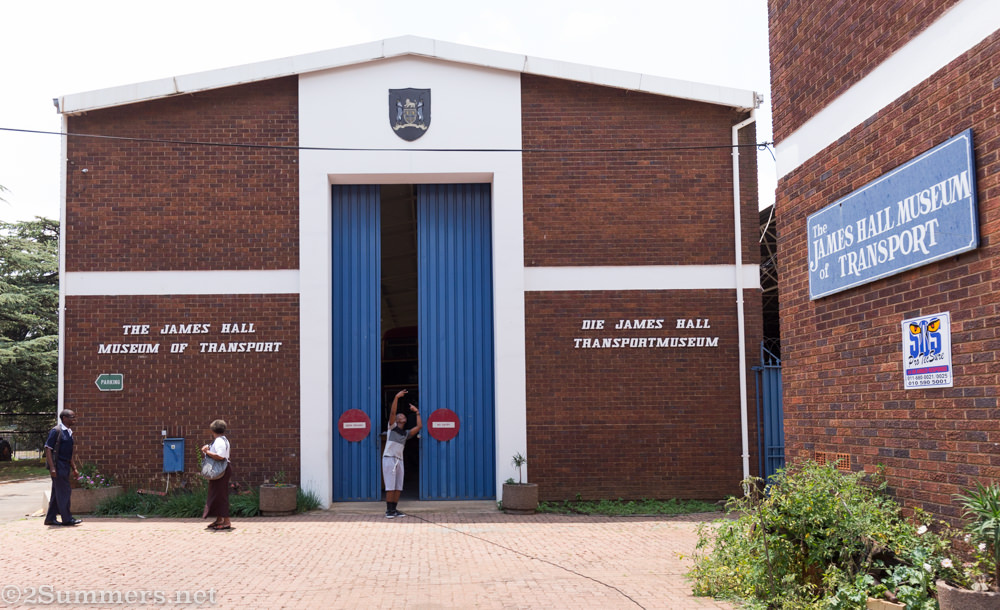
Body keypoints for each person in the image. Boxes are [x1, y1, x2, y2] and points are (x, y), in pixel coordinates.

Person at [382, 389, 421, 518]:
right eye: (400, 416)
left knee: (398, 486)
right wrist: (396, 398)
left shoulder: (405, 434)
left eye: (403, 416)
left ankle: (394, 509)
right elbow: (393, 412)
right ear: (397, 420)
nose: (402, 416)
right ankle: (389, 511)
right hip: (389, 459)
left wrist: (417, 412)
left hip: (399, 460)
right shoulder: (392, 428)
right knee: (390, 486)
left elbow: (419, 427)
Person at [44, 409, 81, 526]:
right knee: (65, 492)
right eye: (71, 417)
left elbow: (68, 453)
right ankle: (67, 519)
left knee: (57, 492)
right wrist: (52, 467)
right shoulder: (56, 431)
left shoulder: (69, 432)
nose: (74, 419)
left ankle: (50, 518)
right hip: (58, 466)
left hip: (65, 465)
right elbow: (48, 449)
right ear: (64, 418)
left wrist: (74, 468)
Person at [201, 419, 232, 531]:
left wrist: (206, 452)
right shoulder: (222, 440)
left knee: (220, 495)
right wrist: (209, 448)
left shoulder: (219, 441)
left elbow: (220, 456)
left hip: (221, 471)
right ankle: (219, 519)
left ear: (213, 430)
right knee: (216, 494)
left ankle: (226, 521)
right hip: (222, 470)